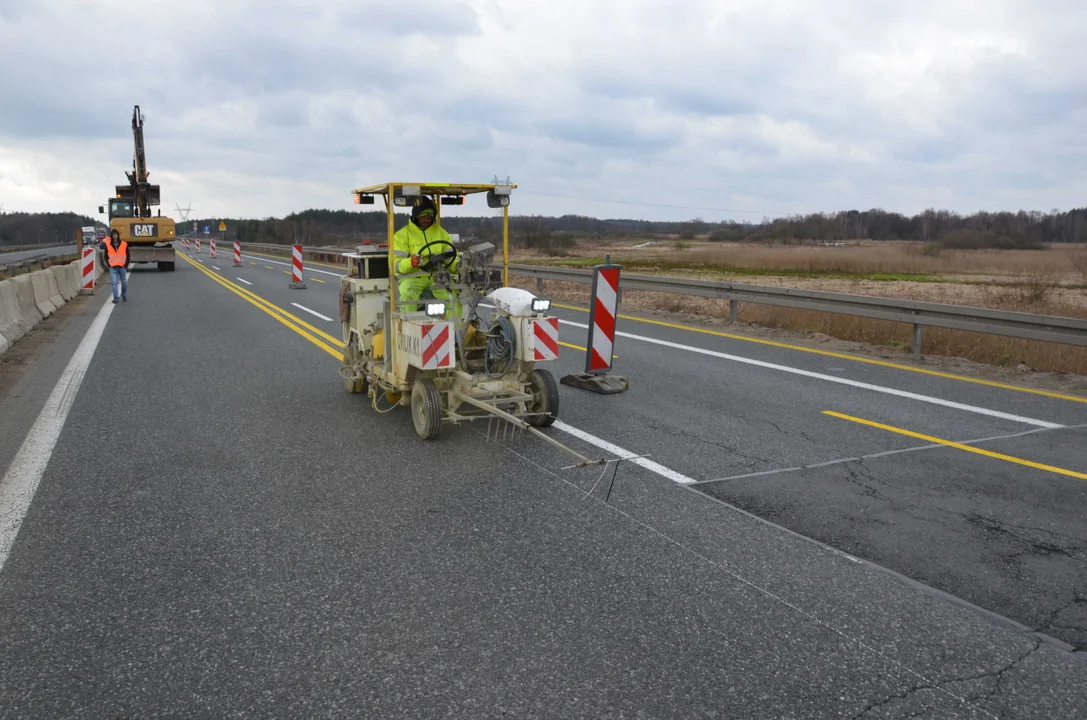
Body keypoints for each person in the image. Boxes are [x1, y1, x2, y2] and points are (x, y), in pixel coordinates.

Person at [392, 196, 458, 310]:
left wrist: (458, 266)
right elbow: (395, 264)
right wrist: (410, 262)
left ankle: (456, 327)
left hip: (438, 278)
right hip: (412, 279)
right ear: (416, 215)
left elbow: (451, 257)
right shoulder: (402, 235)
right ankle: (409, 327)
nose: (427, 218)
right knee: (408, 298)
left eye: (430, 214)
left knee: (454, 297)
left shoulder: (441, 233)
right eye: (423, 214)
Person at [105, 229, 130, 303]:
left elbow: (128, 255)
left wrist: (126, 265)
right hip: (113, 267)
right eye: (113, 234)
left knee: (124, 283)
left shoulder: (124, 244)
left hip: (122, 267)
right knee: (114, 283)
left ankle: (124, 295)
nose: (115, 236)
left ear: (118, 235)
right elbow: (106, 256)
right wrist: (109, 264)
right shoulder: (108, 245)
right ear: (112, 236)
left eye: (116, 234)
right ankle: (116, 297)